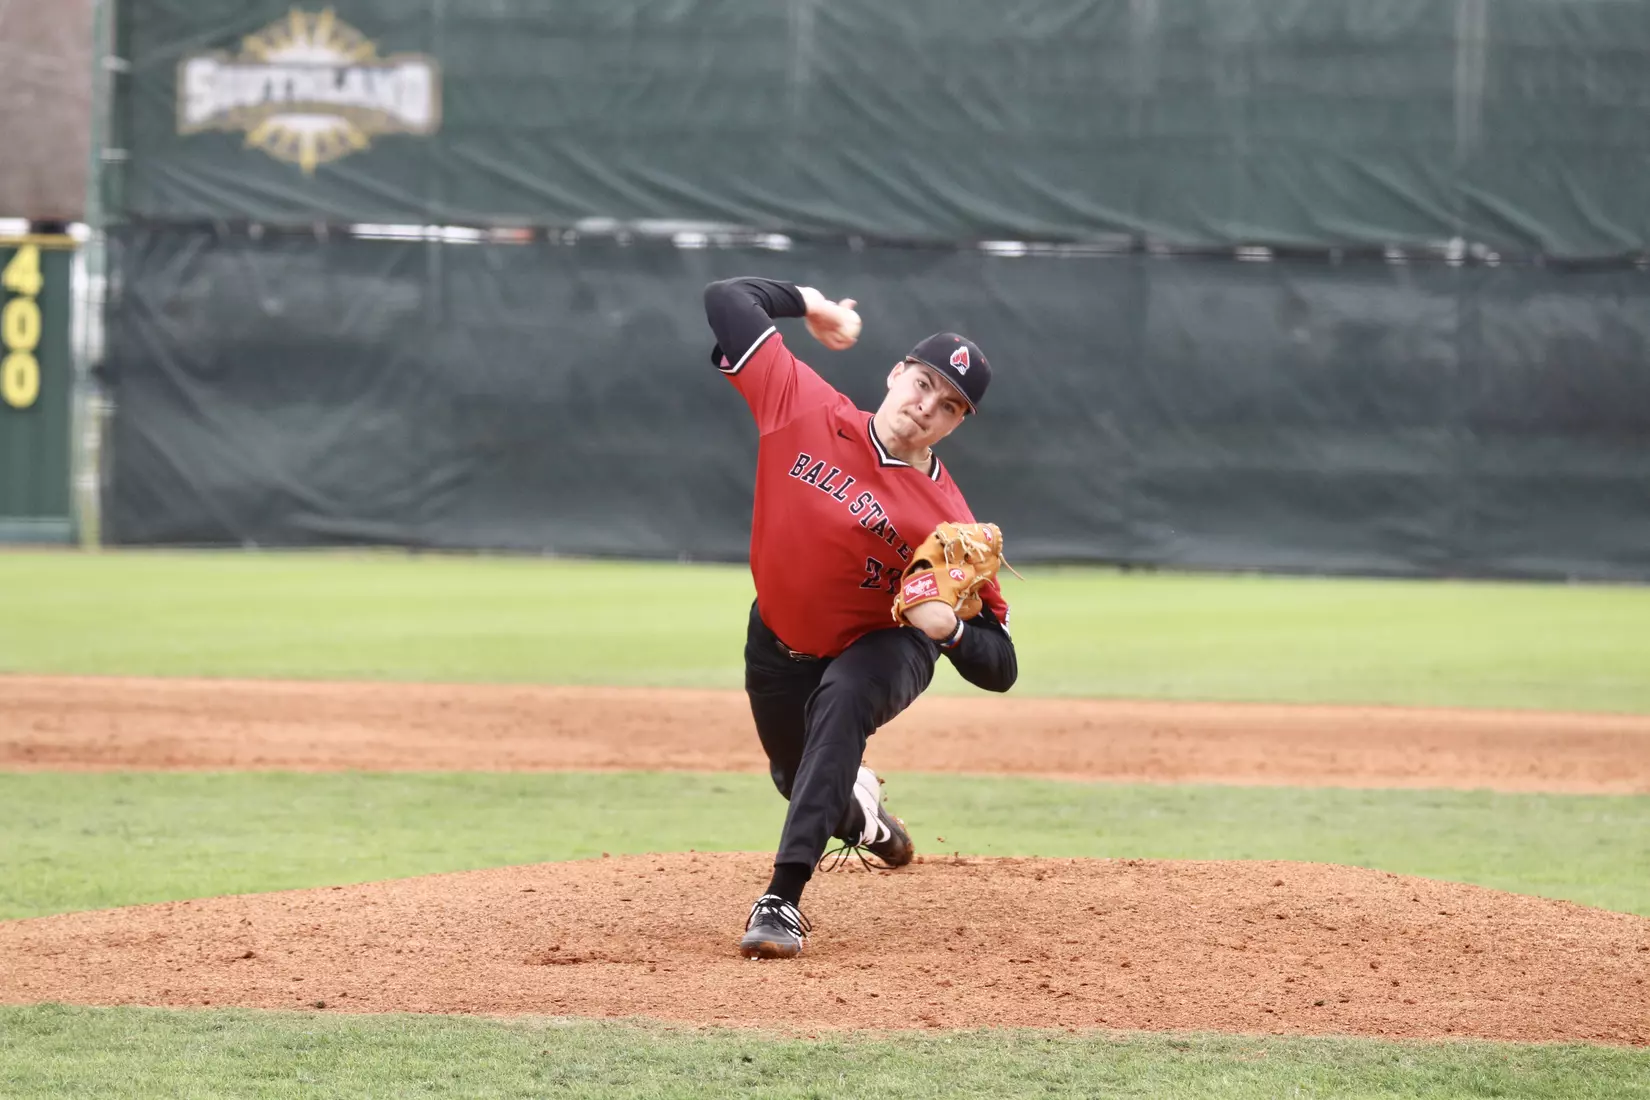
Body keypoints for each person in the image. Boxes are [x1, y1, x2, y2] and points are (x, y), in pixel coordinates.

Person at [702, 276, 1019, 960]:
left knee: (843, 703)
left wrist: (952, 630)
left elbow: (1002, 666)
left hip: (883, 646)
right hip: (779, 638)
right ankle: (866, 818)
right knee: (799, 780)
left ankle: (780, 901)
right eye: (924, 383)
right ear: (896, 373)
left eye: (950, 405)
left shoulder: (948, 520)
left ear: (958, 424)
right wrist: (807, 302)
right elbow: (726, 299)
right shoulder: (801, 405)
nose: (927, 406)